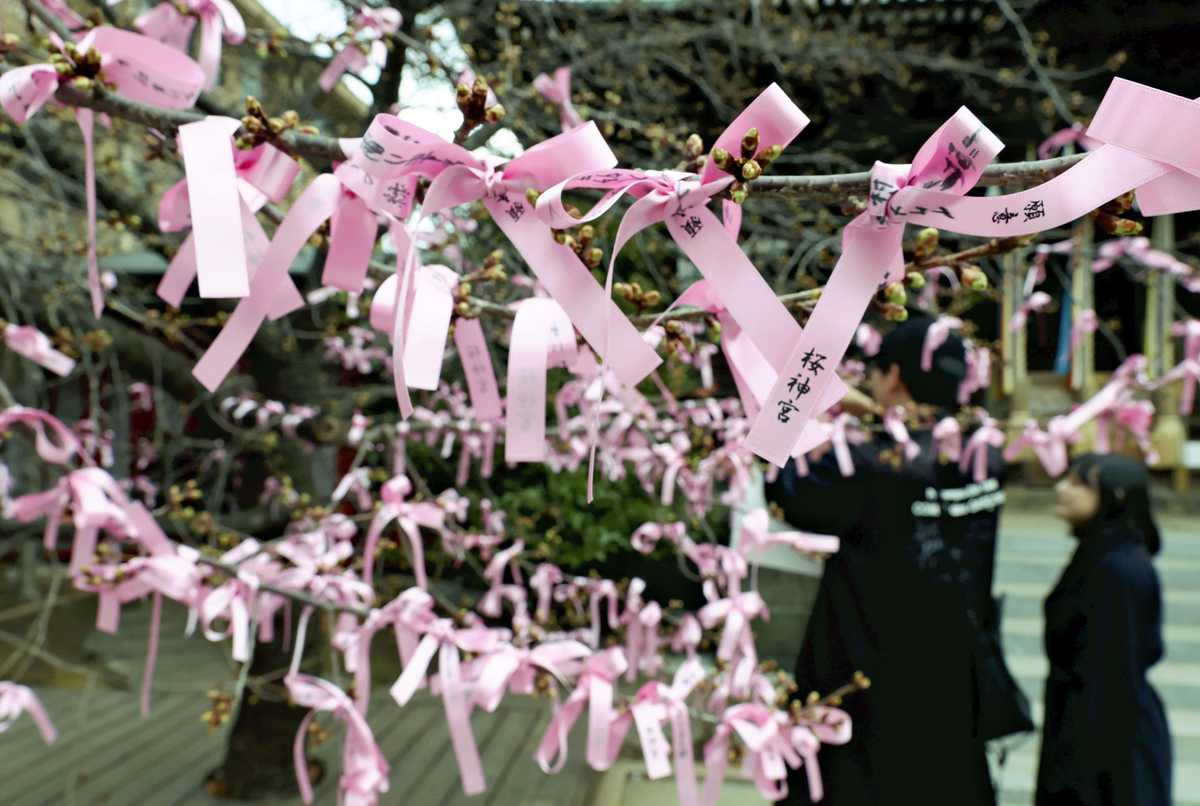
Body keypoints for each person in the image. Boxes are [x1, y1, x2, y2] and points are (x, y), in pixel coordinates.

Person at [765, 317, 1008, 805]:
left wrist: (803, 393)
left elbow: (782, 481)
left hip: (870, 673)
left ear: (892, 376)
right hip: (953, 673)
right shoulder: (982, 454)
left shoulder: (873, 466)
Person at [1036, 453, 1172, 806]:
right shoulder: (1100, 553)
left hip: (1106, 742)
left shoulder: (1117, 570)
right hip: (1088, 722)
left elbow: (1113, 676)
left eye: (1079, 483)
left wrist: (1080, 773)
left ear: (1116, 496)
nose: (1061, 488)